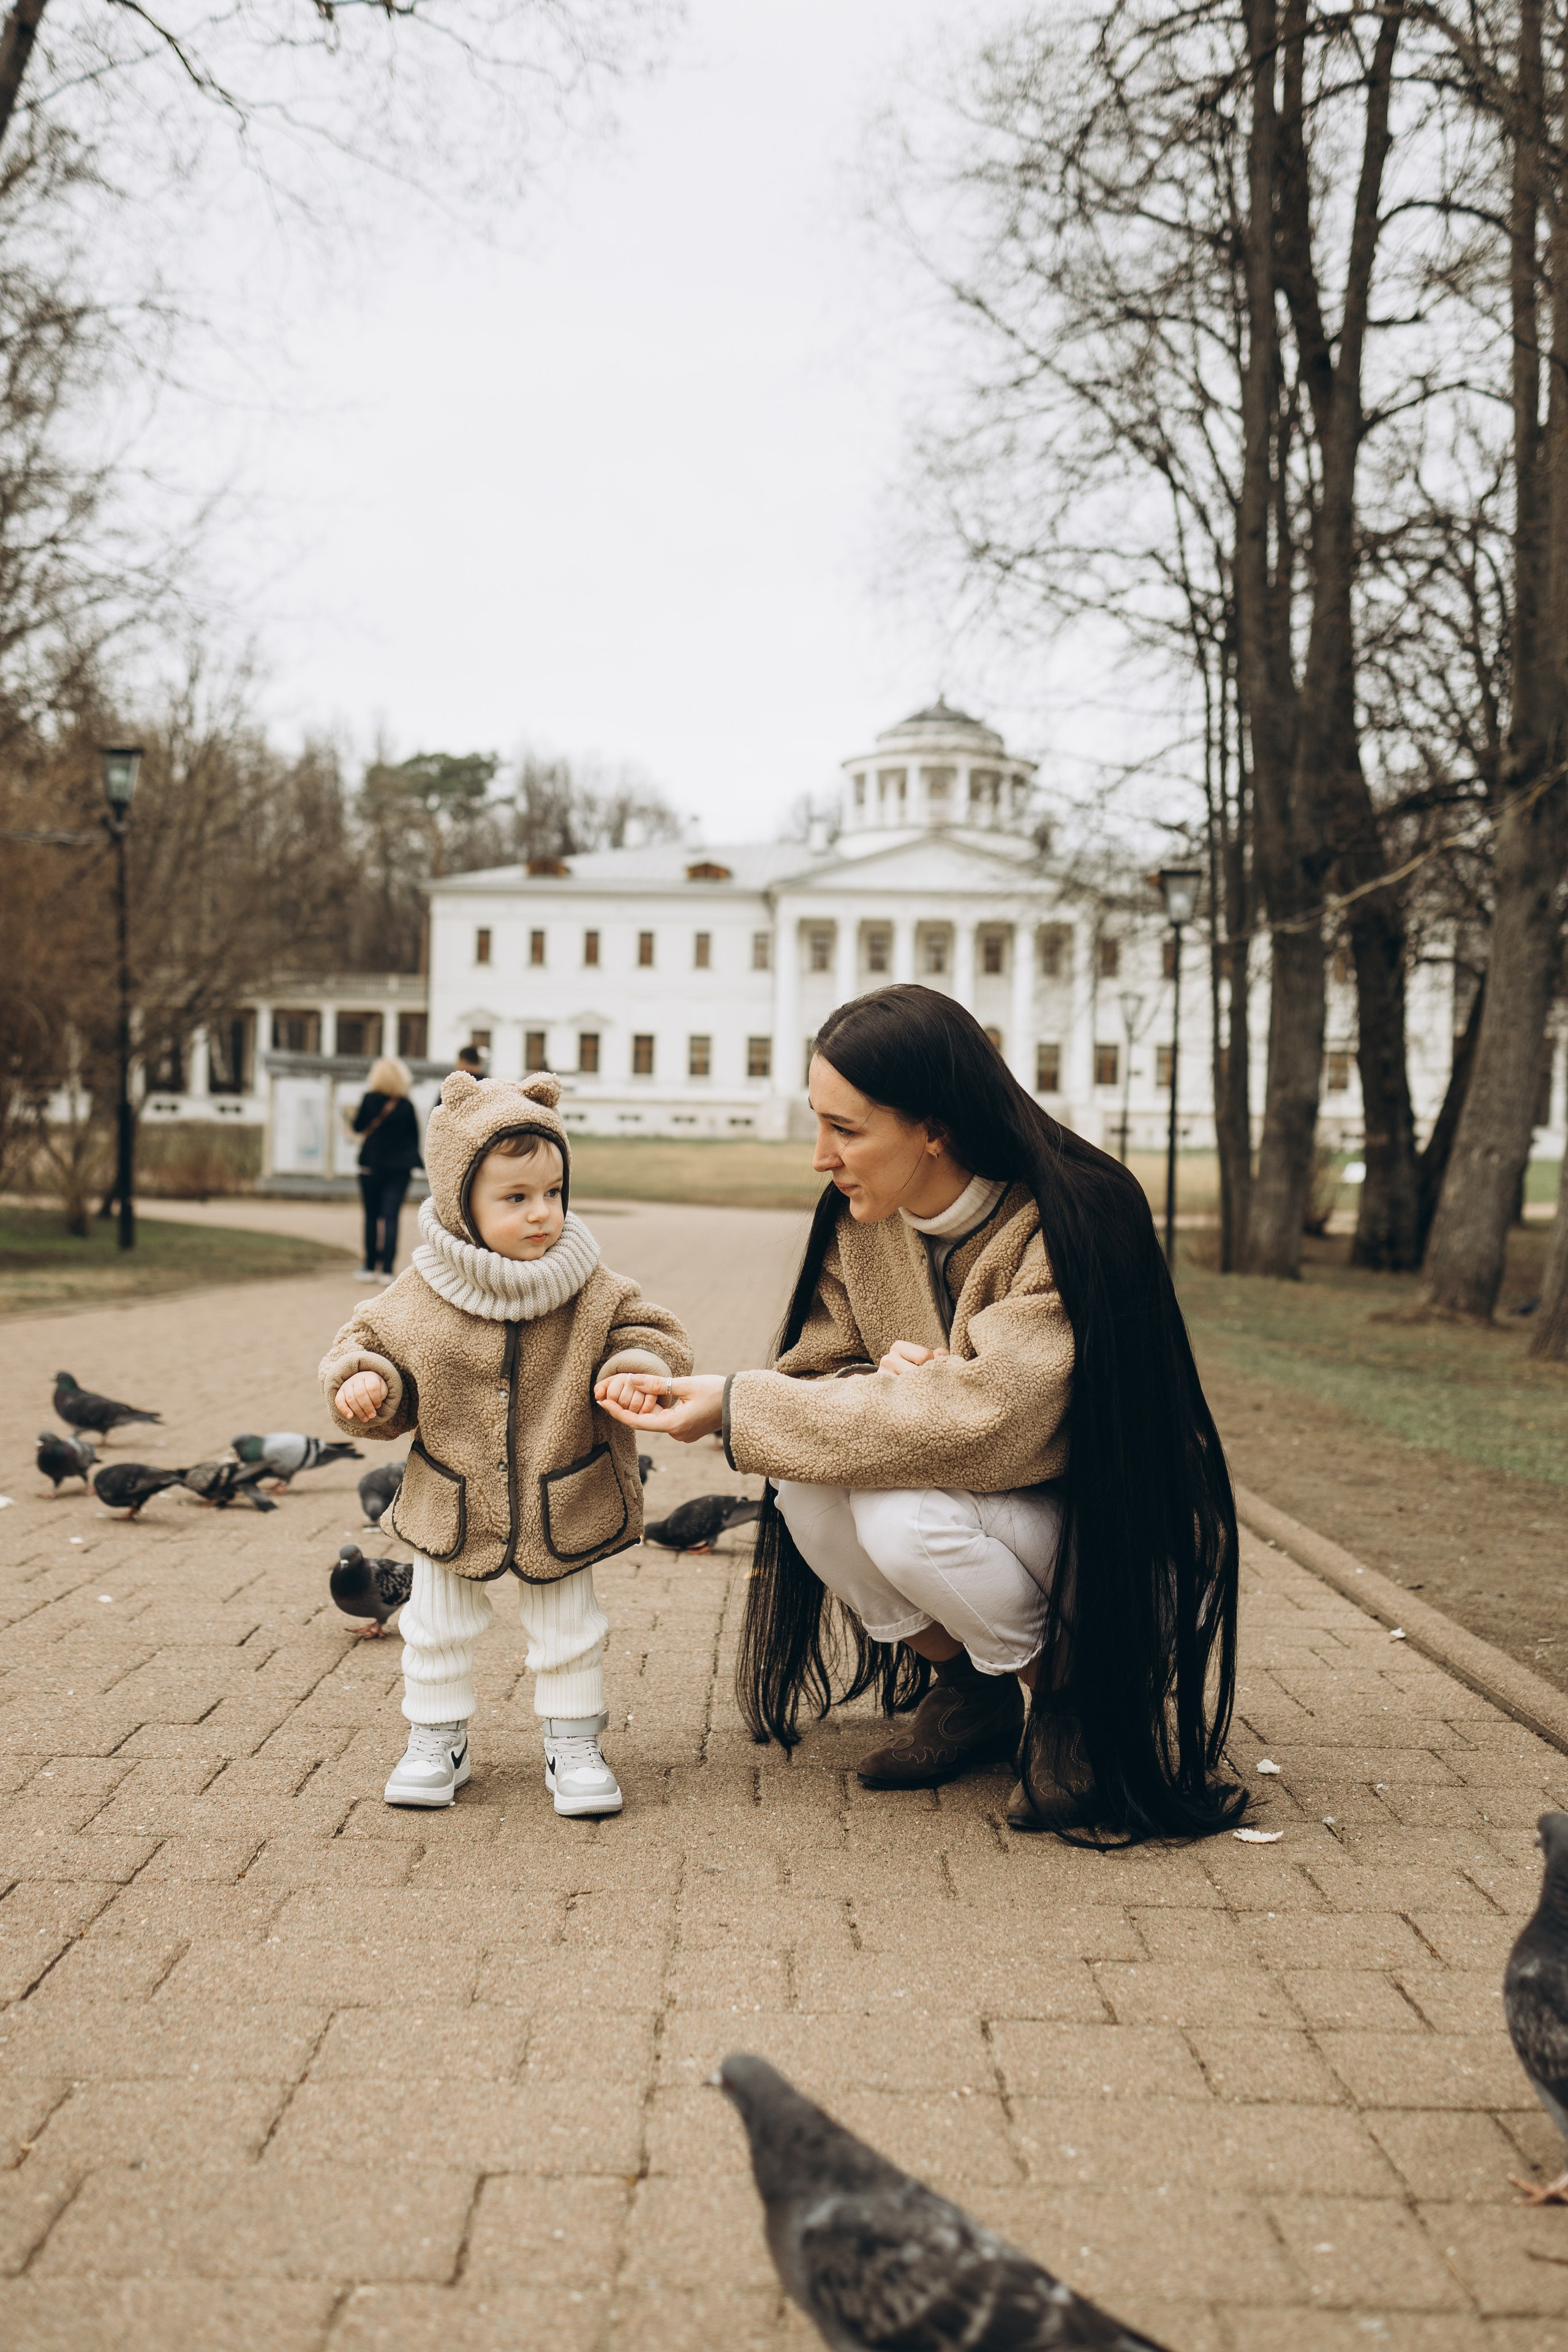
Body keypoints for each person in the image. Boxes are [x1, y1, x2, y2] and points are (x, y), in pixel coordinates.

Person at [597, 984, 1242, 1844]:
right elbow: (813, 1375)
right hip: (998, 1519)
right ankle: (975, 1693)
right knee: (801, 1481)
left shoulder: (1071, 1217)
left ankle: (1076, 1699)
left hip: (1119, 1555)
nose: (820, 1157)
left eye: (846, 1129)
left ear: (934, 1128)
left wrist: (742, 1404)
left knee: (901, 1515)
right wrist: (871, 1380)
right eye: (819, 1123)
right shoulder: (864, 1223)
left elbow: (997, 1422)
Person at [321, 1070, 692, 1816]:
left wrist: (635, 1366)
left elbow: (650, 1331)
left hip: (564, 1489)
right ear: (461, 1202)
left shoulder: (590, 1285)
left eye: (553, 1192)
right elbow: (364, 1344)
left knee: (569, 1626)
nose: (542, 1213)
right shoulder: (421, 1291)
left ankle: (573, 1742)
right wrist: (365, 1381)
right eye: (515, 1198)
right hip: (451, 1491)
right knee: (434, 1624)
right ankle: (437, 1740)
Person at [352, 1057, 423, 1281]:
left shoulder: (368, 1100)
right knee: (392, 1216)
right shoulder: (406, 1105)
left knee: (371, 1216)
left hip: (371, 1166)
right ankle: (387, 1270)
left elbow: (358, 1127)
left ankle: (369, 1266)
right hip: (399, 1169)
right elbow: (415, 1138)